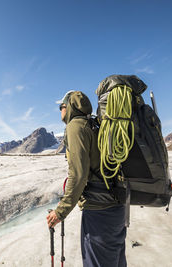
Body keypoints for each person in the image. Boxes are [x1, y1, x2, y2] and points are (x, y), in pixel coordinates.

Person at [46, 90, 127, 267]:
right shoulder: (94, 125)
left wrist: (60, 212)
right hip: (117, 208)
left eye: (62, 106)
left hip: (99, 212)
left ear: (70, 106)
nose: (60, 110)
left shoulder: (75, 126)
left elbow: (78, 175)